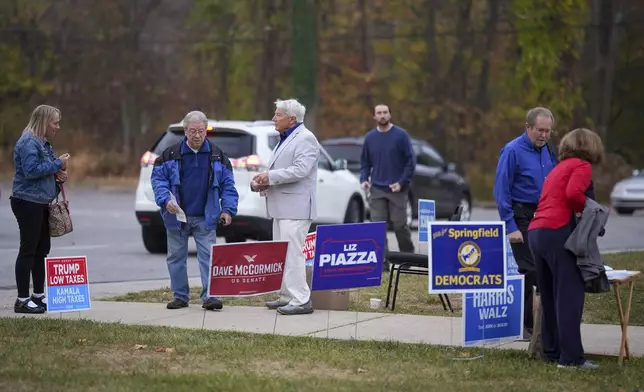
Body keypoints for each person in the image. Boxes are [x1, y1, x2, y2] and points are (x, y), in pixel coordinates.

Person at [527, 128, 605, 370]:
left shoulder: (556, 168)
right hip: (558, 231)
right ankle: (571, 359)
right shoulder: (582, 166)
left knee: (549, 295)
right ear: (590, 147)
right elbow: (573, 194)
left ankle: (551, 352)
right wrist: (588, 210)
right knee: (569, 296)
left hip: (536, 231)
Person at [151, 110, 238, 311]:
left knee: (209, 257)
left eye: (200, 131)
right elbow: (158, 181)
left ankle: (210, 296)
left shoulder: (218, 156)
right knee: (175, 257)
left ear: (206, 131)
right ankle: (180, 296)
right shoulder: (169, 155)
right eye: (192, 131)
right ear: (185, 131)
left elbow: (228, 186)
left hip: (205, 217)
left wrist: (227, 210)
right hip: (176, 216)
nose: (197, 135)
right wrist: (165, 201)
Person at [492, 107, 557, 339]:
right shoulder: (511, 151)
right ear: (527, 127)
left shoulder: (549, 150)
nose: (544, 135)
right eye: (540, 130)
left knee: (545, 268)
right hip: (521, 215)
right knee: (531, 270)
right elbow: (501, 191)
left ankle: (543, 324)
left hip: (545, 215)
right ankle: (528, 326)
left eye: (548, 131)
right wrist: (511, 226)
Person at [251, 98, 318, 315]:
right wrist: (262, 184)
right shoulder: (286, 138)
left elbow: (300, 170)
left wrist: (269, 176)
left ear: (292, 119)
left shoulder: (306, 138)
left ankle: (301, 300)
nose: (274, 118)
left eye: (278, 115)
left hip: (296, 209)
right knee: (282, 254)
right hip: (283, 208)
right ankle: (287, 296)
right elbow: (282, 170)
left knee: (293, 255)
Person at [10, 105, 70, 314]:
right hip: (27, 202)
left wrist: (58, 175)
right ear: (44, 122)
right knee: (28, 249)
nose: (58, 127)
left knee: (42, 250)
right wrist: (56, 164)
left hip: (41, 202)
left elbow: (44, 172)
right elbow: (31, 171)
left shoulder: (44, 144)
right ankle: (22, 300)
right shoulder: (28, 142)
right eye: (55, 123)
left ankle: (38, 295)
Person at [359, 104, 415, 261]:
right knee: (378, 228)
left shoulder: (401, 136)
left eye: (385, 112)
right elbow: (365, 163)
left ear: (390, 115)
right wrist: (364, 179)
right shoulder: (370, 138)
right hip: (377, 189)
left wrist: (402, 182)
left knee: (400, 226)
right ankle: (382, 263)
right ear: (374, 117)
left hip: (397, 189)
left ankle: (408, 259)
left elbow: (410, 162)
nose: (382, 115)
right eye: (379, 113)